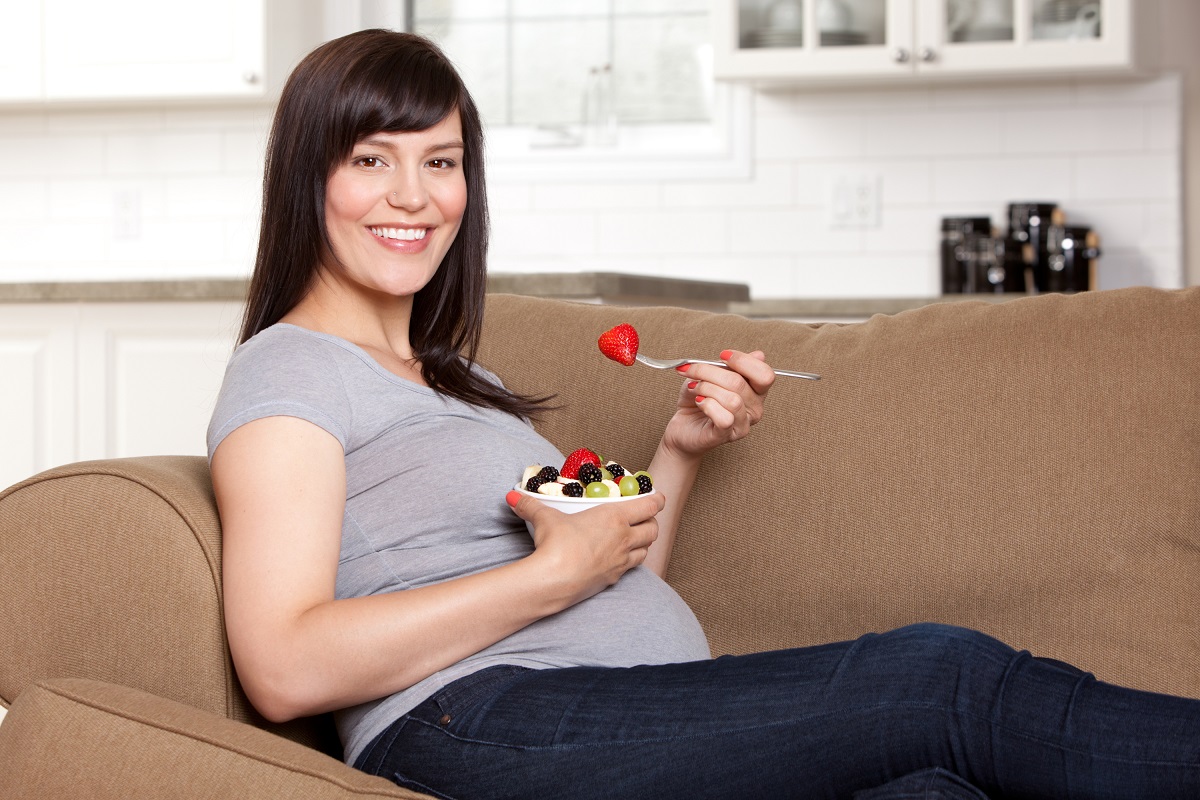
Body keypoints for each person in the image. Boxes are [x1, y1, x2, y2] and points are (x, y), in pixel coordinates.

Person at [207, 29, 1200, 800]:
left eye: (442, 160)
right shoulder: (288, 370)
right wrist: (551, 570)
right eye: (373, 160)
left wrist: (676, 452)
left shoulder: (449, 371)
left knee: (929, 788)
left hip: (588, 714)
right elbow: (286, 664)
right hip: (475, 728)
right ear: (311, 176)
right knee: (933, 679)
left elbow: (609, 573)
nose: (415, 196)